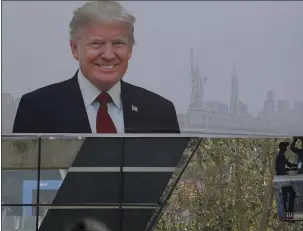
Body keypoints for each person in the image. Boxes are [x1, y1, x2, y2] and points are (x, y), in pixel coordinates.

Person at [13, 1, 180, 134]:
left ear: (130, 49)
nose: (108, 54)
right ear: (75, 49)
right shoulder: (37, 109)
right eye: (96, 43)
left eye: (118, 43)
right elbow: (21, 175)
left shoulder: (160, 111)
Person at [275, 142, 297, 212]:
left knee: (285, 194)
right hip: (282, 178)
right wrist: (297, 166)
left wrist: (290, 168)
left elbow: (283, 166)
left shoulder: (280, 155)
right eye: (285, 147)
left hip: (281, 178)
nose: (286, 148)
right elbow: (289, 164)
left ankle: (286, 209)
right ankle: (289, 209)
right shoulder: (281, 156)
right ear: (281, 148)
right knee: (291, 193)